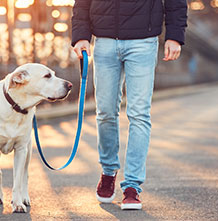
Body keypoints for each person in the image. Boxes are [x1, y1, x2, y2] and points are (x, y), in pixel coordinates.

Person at [71, 0, 188, 210]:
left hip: (143, 42)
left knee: (139, 114)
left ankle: (132, 186)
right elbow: (81, 3)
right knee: (105, 112)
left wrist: (174, 36)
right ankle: (108, 172)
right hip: (104, 41)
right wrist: (80, 35)